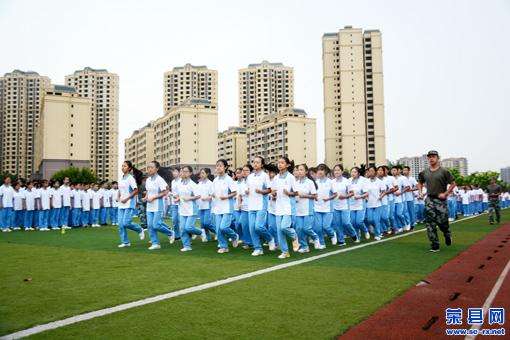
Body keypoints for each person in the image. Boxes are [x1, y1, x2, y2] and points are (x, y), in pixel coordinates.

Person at [417, 150, 455, 252]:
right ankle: (435, 244)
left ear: (438, 158)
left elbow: (453, 183)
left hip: (441, 200)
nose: (431, 158)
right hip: (429, 199)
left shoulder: (444, 171)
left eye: (433, 156)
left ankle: (447, 234)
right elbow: (420, 182)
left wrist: (446, 193)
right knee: (430, 223)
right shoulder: (425, 172)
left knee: (442, 222)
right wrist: (420, 192)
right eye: (429, 157)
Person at [245, 157, 276, 256]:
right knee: (252, 228)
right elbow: (247, 187)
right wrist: (246, 190)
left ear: (262, 165)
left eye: (258, 162)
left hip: (261, 205)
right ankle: (258, 248)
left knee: (258, 227)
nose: (255, 164)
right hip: (251, 205)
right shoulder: (249, 176)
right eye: (254, 162)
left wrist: (261, 191)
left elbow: (270, 189)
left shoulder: (264, 176)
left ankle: (270, 238)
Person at [271, 157, 300, 259]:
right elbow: (273, 191)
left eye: (282, 163)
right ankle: (285, 252)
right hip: (278, 208)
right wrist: (273, 194)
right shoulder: (275, 178)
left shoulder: (291, 177)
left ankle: (294, 236)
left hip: (288, 207)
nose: (279, 164)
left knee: (284, 227)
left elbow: (296, 192)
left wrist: (289, 193)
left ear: (287, 165)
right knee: (279, 231)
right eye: (278, 162)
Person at [144, 161, 174, 250]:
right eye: (148, 167)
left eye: (152, 167)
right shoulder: (148, 180)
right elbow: (148, 191)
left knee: (156, 225)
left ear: (157, 169)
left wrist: (153, 198)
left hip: (158, 205)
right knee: (149, 225)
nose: (149, 169)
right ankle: (155, 243)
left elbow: (165, 191)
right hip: (149, 206)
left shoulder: (160, 179)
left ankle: (170, 233)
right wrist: (146, 197)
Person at [211, 159, 239, 254]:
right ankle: (224, 247)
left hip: (227, 207)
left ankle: (234, 236)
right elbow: (213, 192)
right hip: (218, 208)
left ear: (225, 167)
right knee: (218, 230)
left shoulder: (228, 179)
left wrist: (226, 196)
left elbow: (235, 193)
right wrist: (213, 194)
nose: (218, 167)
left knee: (223, 227)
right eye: (217, 165)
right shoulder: (215, 180)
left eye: (220, 165)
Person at [174, 165, 203, 252]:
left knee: (189, 228)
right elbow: (180, 195)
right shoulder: (179, 184)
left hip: (191, 209)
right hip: (182, 209)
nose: (183, 173)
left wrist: (189, 198)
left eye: (186, 171)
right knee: (182, 229)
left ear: (190, 173)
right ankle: (187, 246)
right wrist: (177, 199)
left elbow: (198, 196)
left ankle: (201, 232)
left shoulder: (193, 184)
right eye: (182, 171)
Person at [116, 161, 145, 247]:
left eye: (124, 166)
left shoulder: (130, 178)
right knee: (120, 224)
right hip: (121, 204)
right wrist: (118, 197)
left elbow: (136, 190)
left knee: (126, 223)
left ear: (129, 168)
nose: (122, 167)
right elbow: (119, 190)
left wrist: (127, 199)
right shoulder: (120, 178)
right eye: (122, 166)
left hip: (129, 203)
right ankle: (125, 242)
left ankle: (139, 229)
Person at [293, 164, 321, 252]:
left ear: (306, 172)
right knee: (298, 229)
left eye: (301, 170)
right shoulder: (295, 183)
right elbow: (294, 194)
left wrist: (304, 195)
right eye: (298, 170)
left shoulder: (310, 182)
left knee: (307, 228)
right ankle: (305, 247)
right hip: (298, 209)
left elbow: (315, 196)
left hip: (308, 209)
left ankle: (315, 238)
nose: (299, 172)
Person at [332, 164, 358, 245]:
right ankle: (341, 240)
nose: (336, 172)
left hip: (345, 205)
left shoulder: (347, 181)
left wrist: (344, 197)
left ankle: (353, 234)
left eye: (338, 170)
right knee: (338, 224)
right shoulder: (331, 182)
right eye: (335, 170)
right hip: (335, 206)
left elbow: (352, 193)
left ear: (342, 171)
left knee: (346, 223)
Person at [313, 164, 338, 247]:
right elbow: (313, 194)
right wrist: (314, 197)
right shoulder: (315, 182)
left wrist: (328, 199)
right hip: (317, 207)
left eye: (322, 170)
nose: (320, 171)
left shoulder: (330, 182)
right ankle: (322, 243)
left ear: (325, 171)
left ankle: (332, 234)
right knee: (318, 227)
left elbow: (335, 194)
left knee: (326, 226)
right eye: (318, 170)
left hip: (328, 208)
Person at [196, 168, 215, 241]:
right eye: (201, 173)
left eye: (203, 173)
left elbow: (212, 195)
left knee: (207, 223)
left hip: (208, 205)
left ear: (207, 174)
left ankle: (217, 231)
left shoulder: (210, 184)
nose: (202, 175)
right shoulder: (199, 184)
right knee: (202, 224)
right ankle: (207, 237)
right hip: (201, 206)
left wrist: (206, 198)